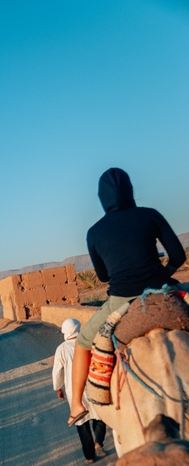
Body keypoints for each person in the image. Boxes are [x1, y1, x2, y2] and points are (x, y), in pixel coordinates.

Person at [68, 167, 186, 425]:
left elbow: (102, 277)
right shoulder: (150, 215)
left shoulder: (94, 232)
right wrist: (161, 275)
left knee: (83, 342)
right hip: (163, 289)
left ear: (102, 198)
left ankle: (77, 405)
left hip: (121, 301)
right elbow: (178, 257)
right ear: (130, 191)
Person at [53, 318, 107, 463]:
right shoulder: (90, 342)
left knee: (82, 422)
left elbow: (57, 371)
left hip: (74, 391)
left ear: (65, 332)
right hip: (93, 386)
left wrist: (58, 388)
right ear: (79, 328)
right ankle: (98, 443)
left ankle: (89, 456)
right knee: (99, 416)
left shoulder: (62, 349)